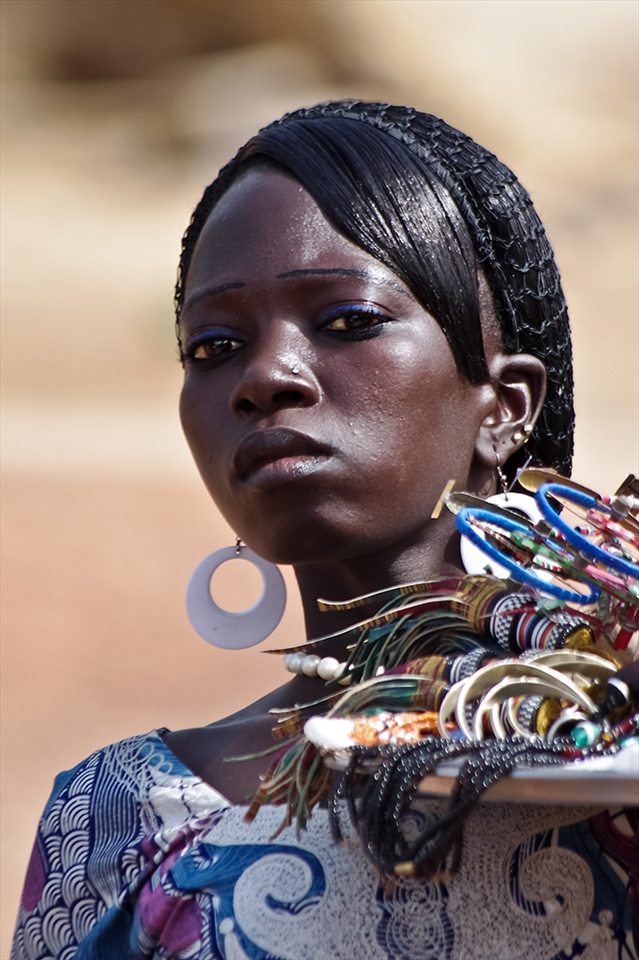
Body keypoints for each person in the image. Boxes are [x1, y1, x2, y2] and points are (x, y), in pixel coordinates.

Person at [12, 102, 636, 960]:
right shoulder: (112, 816)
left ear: (503, 405)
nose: (264, 376)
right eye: (214, 346)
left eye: (347, 322)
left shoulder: (611, 746)